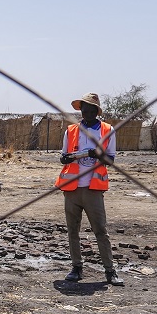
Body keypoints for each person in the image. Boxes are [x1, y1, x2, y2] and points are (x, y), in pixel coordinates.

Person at [56, 92, 123, 286]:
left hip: (94, 189)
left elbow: (110, 160)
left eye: (90, 108)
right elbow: (63, 157)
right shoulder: (71, 131)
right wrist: (68, 157)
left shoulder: (107, 130)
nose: (86, 111)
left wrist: (98, 154)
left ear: (96, 110)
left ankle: (110, 270)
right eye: (83, 108)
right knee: (72, 230)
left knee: (100, 230)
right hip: (72, 188)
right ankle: (76, 267)